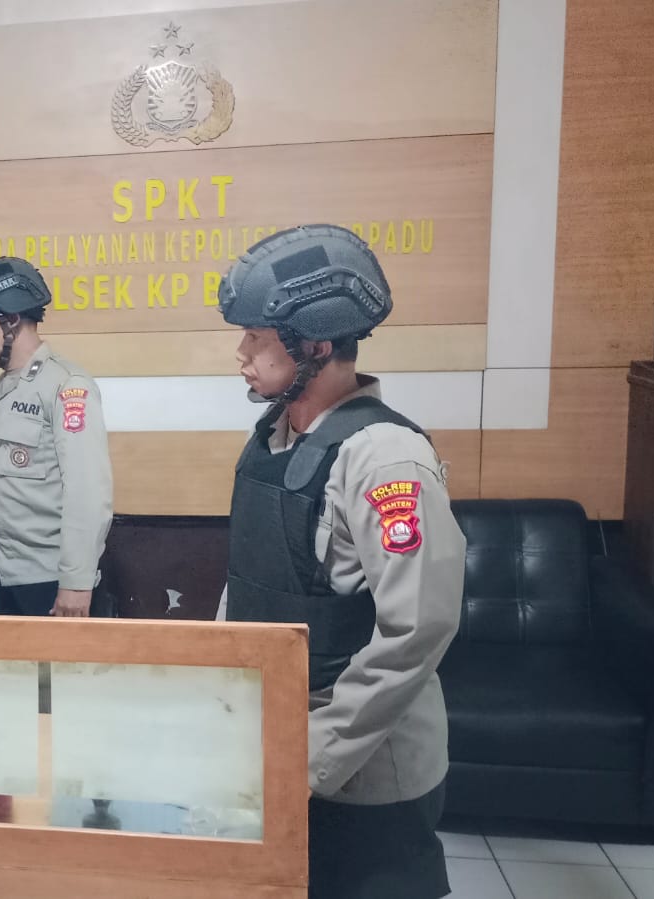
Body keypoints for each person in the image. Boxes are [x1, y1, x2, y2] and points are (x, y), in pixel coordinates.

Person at [213, 226, 464, 898]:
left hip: (363, 775)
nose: (241, 353)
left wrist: (311, 758)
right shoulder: (273, 439)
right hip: (275, 747)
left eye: (256, 337)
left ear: (316, 344)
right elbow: (251, 583)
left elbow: (417, 630)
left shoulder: (387, 460)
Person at [0, 257, 113, 617]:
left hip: (53, 584)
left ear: (11, 319)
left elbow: (88, 494)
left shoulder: (66, 386)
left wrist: (76, 584)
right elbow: (11, 490)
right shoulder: (3, 389)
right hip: (8, 577)